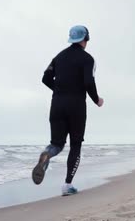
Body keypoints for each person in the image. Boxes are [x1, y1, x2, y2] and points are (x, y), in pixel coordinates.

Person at [32, 25, 104, 196]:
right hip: (76, 106)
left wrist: (59, 90)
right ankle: (67, 185)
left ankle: (47, 154)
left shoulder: (59, 57)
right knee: (75, 144)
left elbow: (45, 78)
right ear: (86, 38)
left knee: (57, 144)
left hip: (57, 104)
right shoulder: (88, 59)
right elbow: (88, 82)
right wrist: (97, 100)